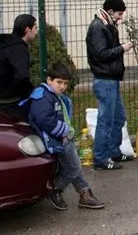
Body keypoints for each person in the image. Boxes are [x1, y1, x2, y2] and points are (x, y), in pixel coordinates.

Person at [24, 63, 105, 211]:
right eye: (59, 82)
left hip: (62, 137)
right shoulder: (43, 96)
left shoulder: (55, 96)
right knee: (74, 167)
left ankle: (83, 193)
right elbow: (43, 119)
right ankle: (55, 189)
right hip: (56, 138)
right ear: (49, 80)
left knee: (72, 166)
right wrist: (64, 132)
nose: (62, 86)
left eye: (65, 83)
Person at [86, 0, 133, 171]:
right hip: (105, 80)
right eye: (120, 14)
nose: (121, 17)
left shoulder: (106, 25)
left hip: (110, 79)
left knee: (118, 117)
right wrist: (122, 48)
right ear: (110, 11)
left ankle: (113, 151)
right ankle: (100, 158)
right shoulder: (99, 27)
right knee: (106, 120)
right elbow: (101, 54)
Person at [0, 14, 38, 120]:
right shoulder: (18, 49)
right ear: (27, 30)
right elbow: (22, 77)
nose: (36, 32)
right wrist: (33, 93)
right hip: (11, 105)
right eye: (35, 28)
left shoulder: (4, 46)